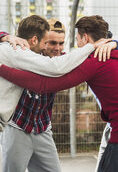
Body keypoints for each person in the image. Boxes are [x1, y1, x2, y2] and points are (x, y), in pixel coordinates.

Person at [0, 15, 118, 172]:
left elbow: (46, 81)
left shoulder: (92, 60)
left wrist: (1, 69)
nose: (59, 47)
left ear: (85, 38)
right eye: (50, 42)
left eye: (73, 40)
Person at [0, 15, 111, 172]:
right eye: (51, 42)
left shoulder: (63, 61)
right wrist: (5, 36)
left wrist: (112, 43)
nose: (57, 48)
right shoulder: (25, 55)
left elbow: (64, 64)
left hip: (42, 128)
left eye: (61, 43)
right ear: (38, 40)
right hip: (17, 126)